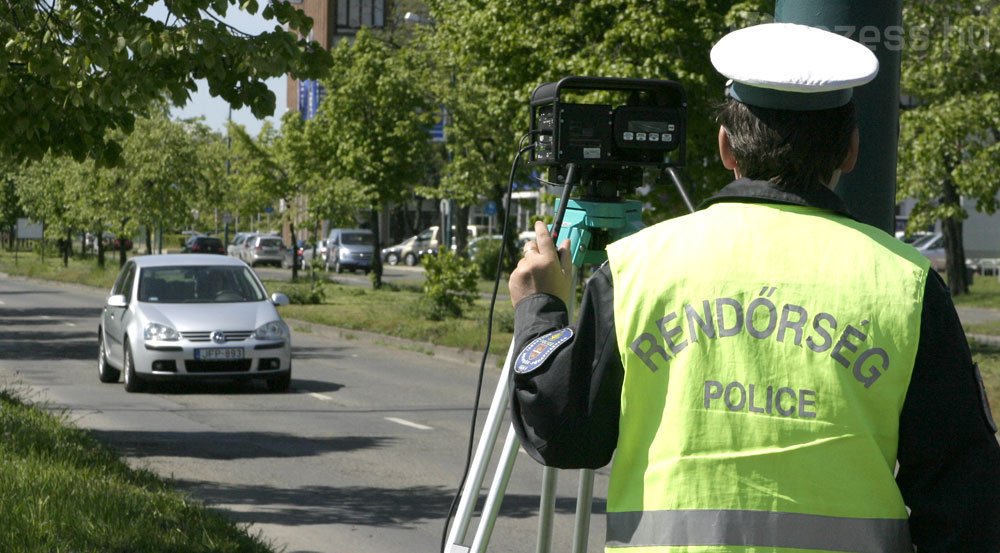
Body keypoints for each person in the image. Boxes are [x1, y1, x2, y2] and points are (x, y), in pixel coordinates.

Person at [507, 22, 1000, 552]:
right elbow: (963, 500)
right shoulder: (907, 283)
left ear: (725, 145)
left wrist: (541, 310)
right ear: (851, 150)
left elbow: (563, 431)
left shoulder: (638, 267)